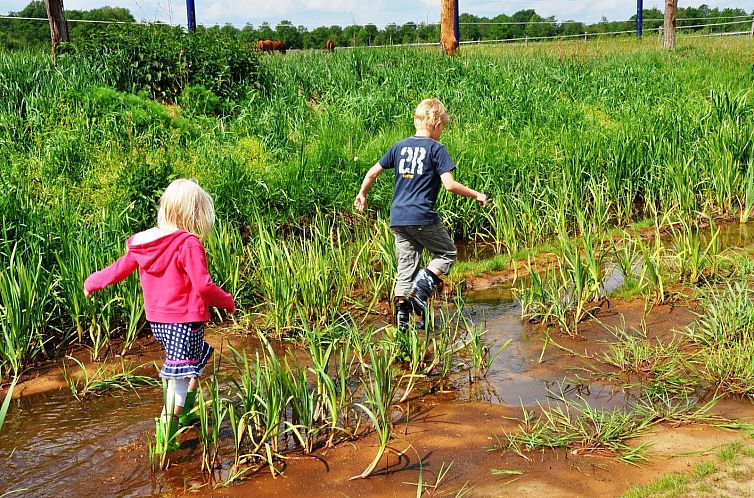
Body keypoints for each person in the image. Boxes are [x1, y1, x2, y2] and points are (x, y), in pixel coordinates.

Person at [84, 178, 235, 452]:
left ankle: (185, 415)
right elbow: (203, 285)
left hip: (160, 323)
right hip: (184, 322)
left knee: (194, 366)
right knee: (177, 384)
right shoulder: (187, 243)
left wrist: (94, 280)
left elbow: (119, 268)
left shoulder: (145, 244)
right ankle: (165, 442)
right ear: (194, 214)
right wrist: (227, 301)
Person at [354, 98, 490, 331]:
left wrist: (362, 194)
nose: (442, 133)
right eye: (443, 128)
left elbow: (373, 172)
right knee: (447, 252)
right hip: (422, 216)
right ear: (436, 124)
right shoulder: (437, 149)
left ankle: (402, 325)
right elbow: (449, 185)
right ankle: (421, 290)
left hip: (398, 218)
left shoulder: (399, 147)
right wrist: (476, 194)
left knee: (405, 268)